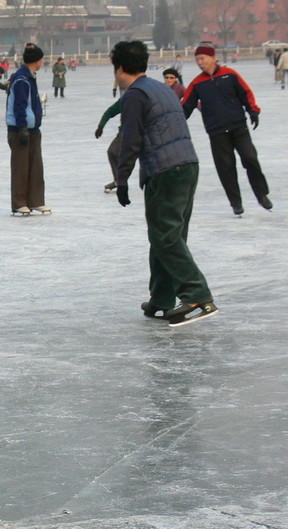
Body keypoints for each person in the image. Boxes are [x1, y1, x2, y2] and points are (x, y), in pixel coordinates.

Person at [112, 40, 217, 327]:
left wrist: (122, 179)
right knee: (167, 234)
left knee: (165, 236)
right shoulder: (161, 87)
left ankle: (197, 295)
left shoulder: (135, 95)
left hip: (166, 170)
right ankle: (161, 298)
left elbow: (130, 140)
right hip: (187, 164)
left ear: (119, 68)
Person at [181, 44, 272, 215]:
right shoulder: (197, 83)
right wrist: (174, 121)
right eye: (197, 60)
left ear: (213, 58)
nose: (200, 63)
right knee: (226, 168)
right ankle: (235, 203)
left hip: (238, 126)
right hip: (216, 132)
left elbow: (245, 93)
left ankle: (262, 194)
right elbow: (185, 107)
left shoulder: (230, 74)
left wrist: (253, 111)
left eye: (202, 59)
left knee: (250, 159)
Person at [6, 43, 48, 215]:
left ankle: (36, 201)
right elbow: (19, 106)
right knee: (21, 168)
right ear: (36, 61)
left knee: (36, 167)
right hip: (20, 130)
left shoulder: (30, 77)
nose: (43, 62)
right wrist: (22, 127)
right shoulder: (22, 80)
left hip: (33, 130)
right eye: (41, 59)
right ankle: (19, 202)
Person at [94, 96, 122, 192]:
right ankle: (118, 180)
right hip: (126, 132)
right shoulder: (126, 99)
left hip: (143, 131)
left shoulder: (145, 98)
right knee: (112, 151)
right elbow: (110, 112)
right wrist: (100, 127)